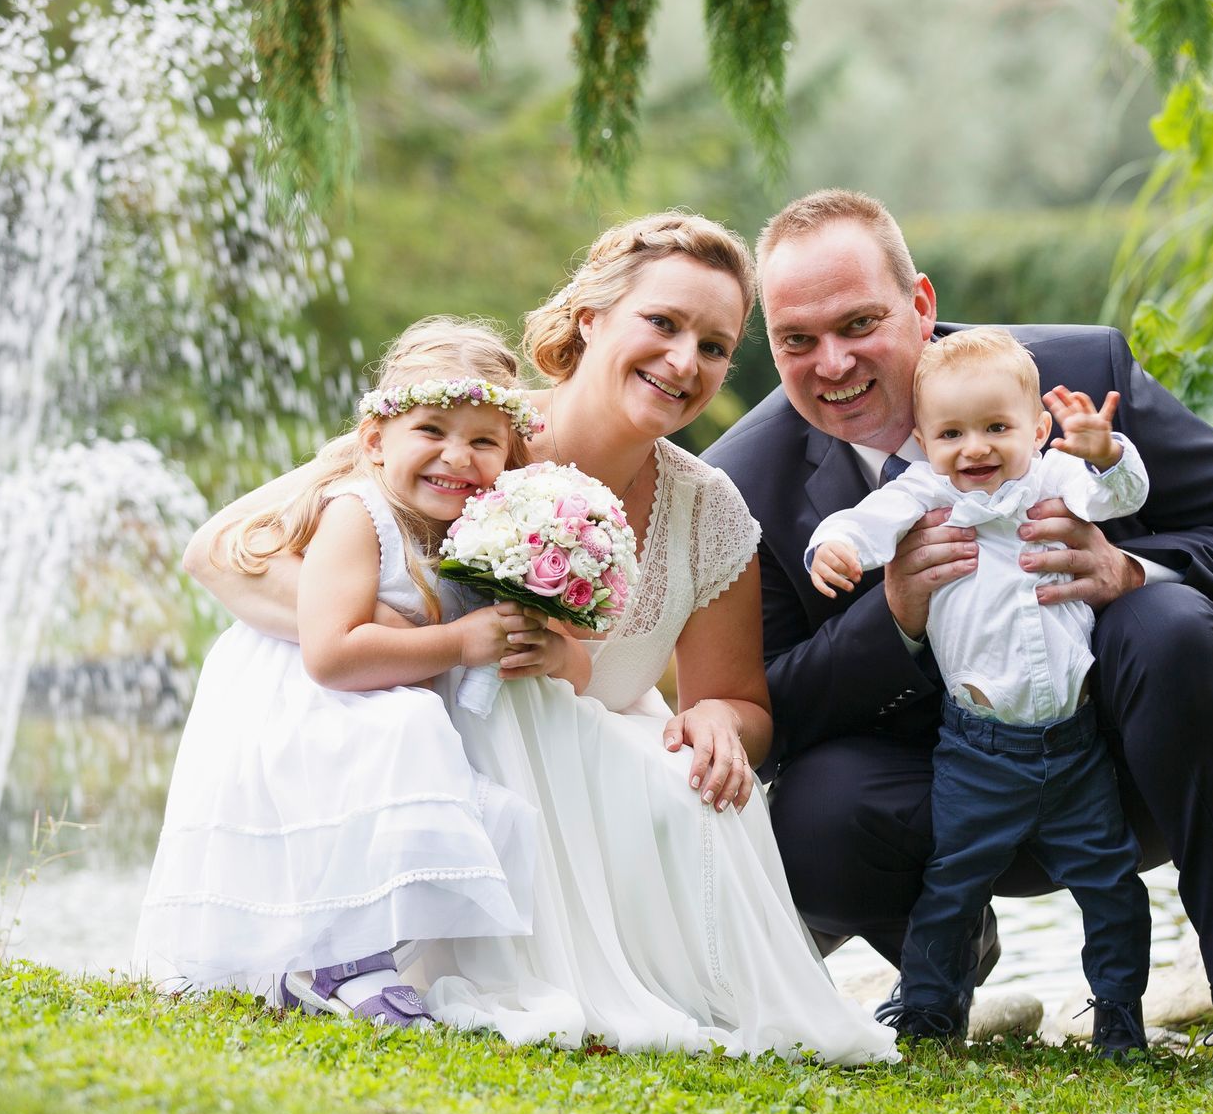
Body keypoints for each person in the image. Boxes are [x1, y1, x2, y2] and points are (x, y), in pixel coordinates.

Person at [184, 214, 896, 1066]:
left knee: (694, 793)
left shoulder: (711, 510)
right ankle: (373, 952)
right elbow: (220, 551)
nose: (684, 361)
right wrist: (431, 632)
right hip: (440, 761)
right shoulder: (465, 435)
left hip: (589, 762)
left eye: (713, 345)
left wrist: (719, 726)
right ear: (592, 318)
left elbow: (736, 703)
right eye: (662, 324)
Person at [703, 189, 1213, 1084]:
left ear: (920, 304)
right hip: (941, 795)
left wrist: (1128, 572)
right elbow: (769, 703)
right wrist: (897, 617)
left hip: (1123, 767)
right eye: (798, 340)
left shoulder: (1076, 376)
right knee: (812, 810)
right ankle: (944, 954)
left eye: (859, 323)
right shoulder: (746, 482)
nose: (831, 363)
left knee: (1174, 624)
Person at [136, 318, 573, 1027]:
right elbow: (331, 653)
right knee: (403, 736)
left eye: (483, 441)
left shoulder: (479, 531)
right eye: (431, 430)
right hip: (309, 698)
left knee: (430, 773)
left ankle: (335, 961)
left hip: (369, 689)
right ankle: (341, 962)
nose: (456, 456)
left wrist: (550, 649)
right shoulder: (358, 513)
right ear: (375, 441)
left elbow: (568, 653)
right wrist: (461, 642)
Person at [804, 328, 1153, 1055]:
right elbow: (865, 525)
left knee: (1112, 884)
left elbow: (1121, 495)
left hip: (1074, 744)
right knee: (952, 886)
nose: (975, 449)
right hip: (978, 749)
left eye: (997, 428)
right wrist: (834, 547)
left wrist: (1106, 452)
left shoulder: (1057, 481)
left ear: (1038, 428)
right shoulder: (926, 493)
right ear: (925, 442)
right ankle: (933, 1011)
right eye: (952, 433)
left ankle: (1119, 1012)